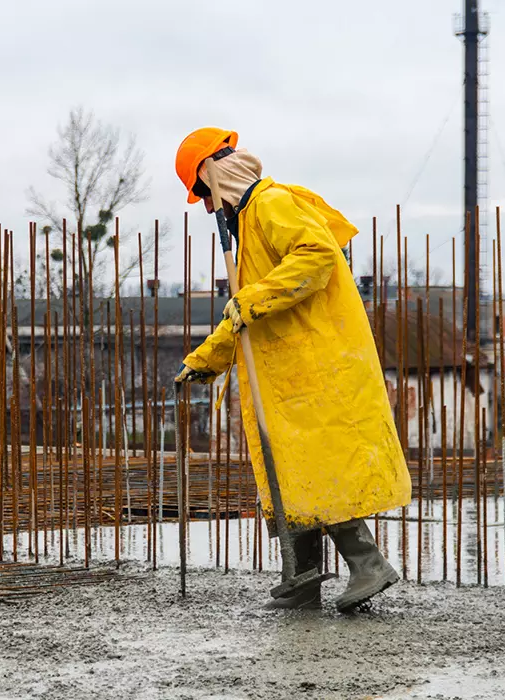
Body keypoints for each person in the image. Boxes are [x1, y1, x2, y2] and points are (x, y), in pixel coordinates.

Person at [174, 128, 411, 612]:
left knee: (312, 472)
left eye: (202, 193)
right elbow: (244, 315)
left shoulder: (271, 204)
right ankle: (301, 579)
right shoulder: (251, 226)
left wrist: (251, 300)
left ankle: (368, 565)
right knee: (285, 470)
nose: (205, 206)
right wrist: (204, 361)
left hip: (313, 364)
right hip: (286, 371)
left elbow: (315, 256)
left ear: (214, 175)